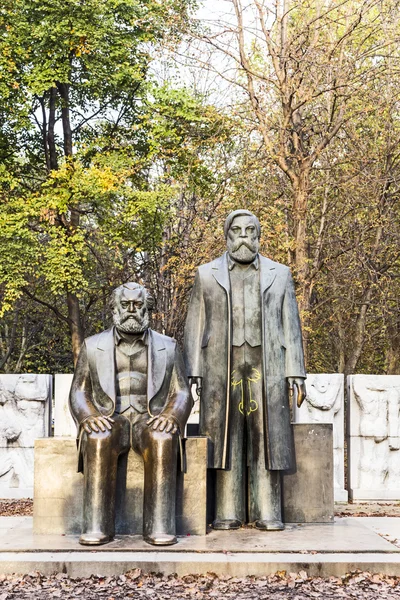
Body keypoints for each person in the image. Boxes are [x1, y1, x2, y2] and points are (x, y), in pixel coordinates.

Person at [184, 209, 306, 530]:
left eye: (250, 231)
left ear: (258, 236)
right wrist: (193, 369)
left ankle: (268, 510)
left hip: (268, 366)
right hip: (221, 367)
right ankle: (227, 510)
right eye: (236, 230)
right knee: (226, 437)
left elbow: (290, 324)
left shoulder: (280, 274)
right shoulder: (206, 274)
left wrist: (295, 371)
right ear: (226, 235)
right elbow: (195, 323)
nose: (243, 237)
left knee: (267, 437)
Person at [69, 282, 191, 546]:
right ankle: (97, 526)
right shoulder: (93, 346)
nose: (132, 311)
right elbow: (78, 393)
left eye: (138, 305)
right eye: (126, 305)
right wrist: (89, 417)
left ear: (147, 308)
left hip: (150, 416)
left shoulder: (168, 346)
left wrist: (171, 416)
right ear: (115, 308)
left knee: (161, 437)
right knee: (99, 436)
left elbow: (182, 393)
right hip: (111, 417)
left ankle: (158, 526)